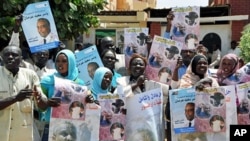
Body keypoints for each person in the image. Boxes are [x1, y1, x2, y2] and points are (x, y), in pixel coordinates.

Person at [0, 45, 47, 141]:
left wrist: (39, 99)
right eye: (7, 55)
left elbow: (43, 106)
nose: (10, 57)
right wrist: (15, 98)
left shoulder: (30, 75)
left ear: (21, 59)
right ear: (1, 57)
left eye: (14, 55)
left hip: (23, 135)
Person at [40, 49, 85, 140]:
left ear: (71, 63)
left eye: (64, 61)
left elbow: (83, 106)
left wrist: (88, 99)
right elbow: (39, 106)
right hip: (51, 127)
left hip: (72, 129)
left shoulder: (80, 83)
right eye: (57, 61)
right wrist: (47, 102)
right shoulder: (47, 81)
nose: (60, 64)